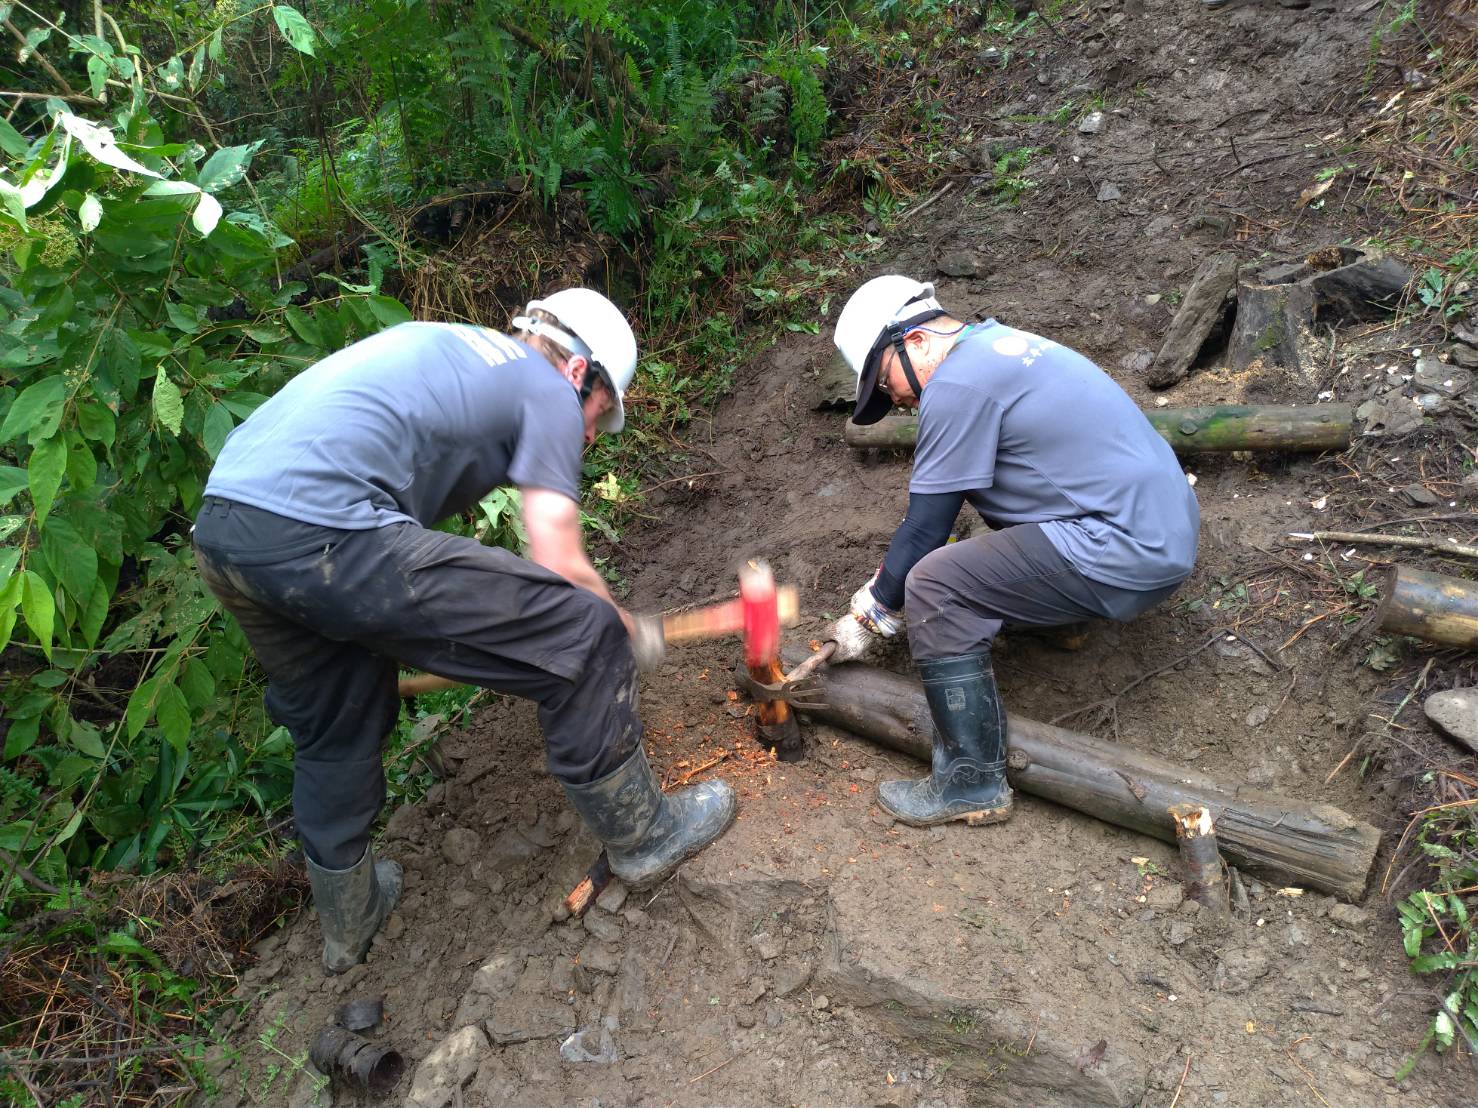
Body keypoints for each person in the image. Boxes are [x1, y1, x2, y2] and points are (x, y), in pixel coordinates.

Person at [193, 289, 736, 974]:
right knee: (583, 633)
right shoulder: (542, 384)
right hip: (322, 526)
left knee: (338, 708)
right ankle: (646, 836)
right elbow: (560, 561)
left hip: (227, 528)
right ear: (579, 372)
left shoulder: (463, 353)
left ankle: (349, 920)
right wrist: (624, 628)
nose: (590, 436)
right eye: (598, 413)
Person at [828, 276, 1200, 828]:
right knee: (986, 532)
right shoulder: (1001, 348)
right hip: (1160, 529)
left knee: (933, 583)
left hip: (1125, 547)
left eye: (887, 383)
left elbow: (926, 526)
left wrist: (870, 612)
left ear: (916, 340)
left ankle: (970, 781)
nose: (898, 401)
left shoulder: (956, 386)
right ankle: (1064, 622)